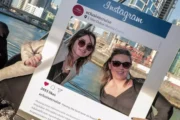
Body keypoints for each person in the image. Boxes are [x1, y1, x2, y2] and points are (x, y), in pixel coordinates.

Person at [0, 29, 96, 112]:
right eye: (82, 42)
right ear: (74, 40)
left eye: (89, 46)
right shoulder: (58, 47)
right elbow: (27, 45)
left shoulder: (74, 71)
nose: (84, 48)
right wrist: (28, 59)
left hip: (21, 102)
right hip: (8, 86)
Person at [100, 48, 172, 120]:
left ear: (129, 67)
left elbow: (166, 108)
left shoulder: (140, 86)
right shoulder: (104, 87)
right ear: (110, 65)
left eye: (126, 64)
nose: (121, 67)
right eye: (116, 63)